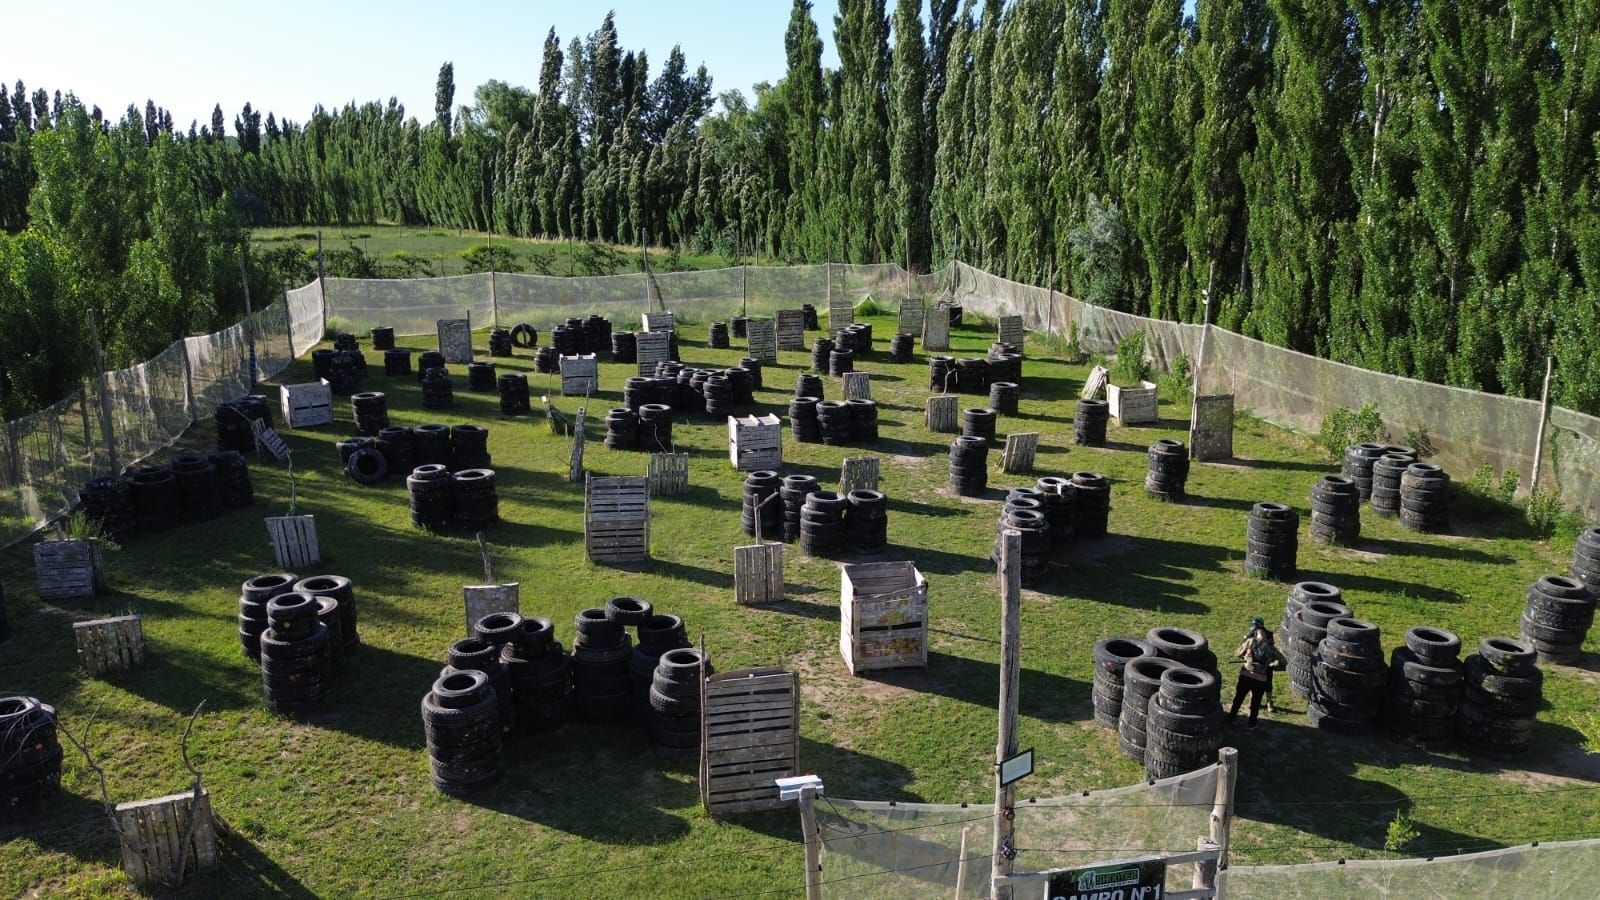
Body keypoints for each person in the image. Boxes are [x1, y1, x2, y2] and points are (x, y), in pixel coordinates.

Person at [1227, 617, 1286, 728]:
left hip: (1246, 675)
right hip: (1261, 680)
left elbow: (1238, 653)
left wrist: (1246, 656)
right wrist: (1271, 665)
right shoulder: (1272, 648)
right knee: (1256, 703)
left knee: (1238, 698)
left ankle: (1231, 718)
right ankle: (1252, 724)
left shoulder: (1250, 642)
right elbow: (1283, 662)